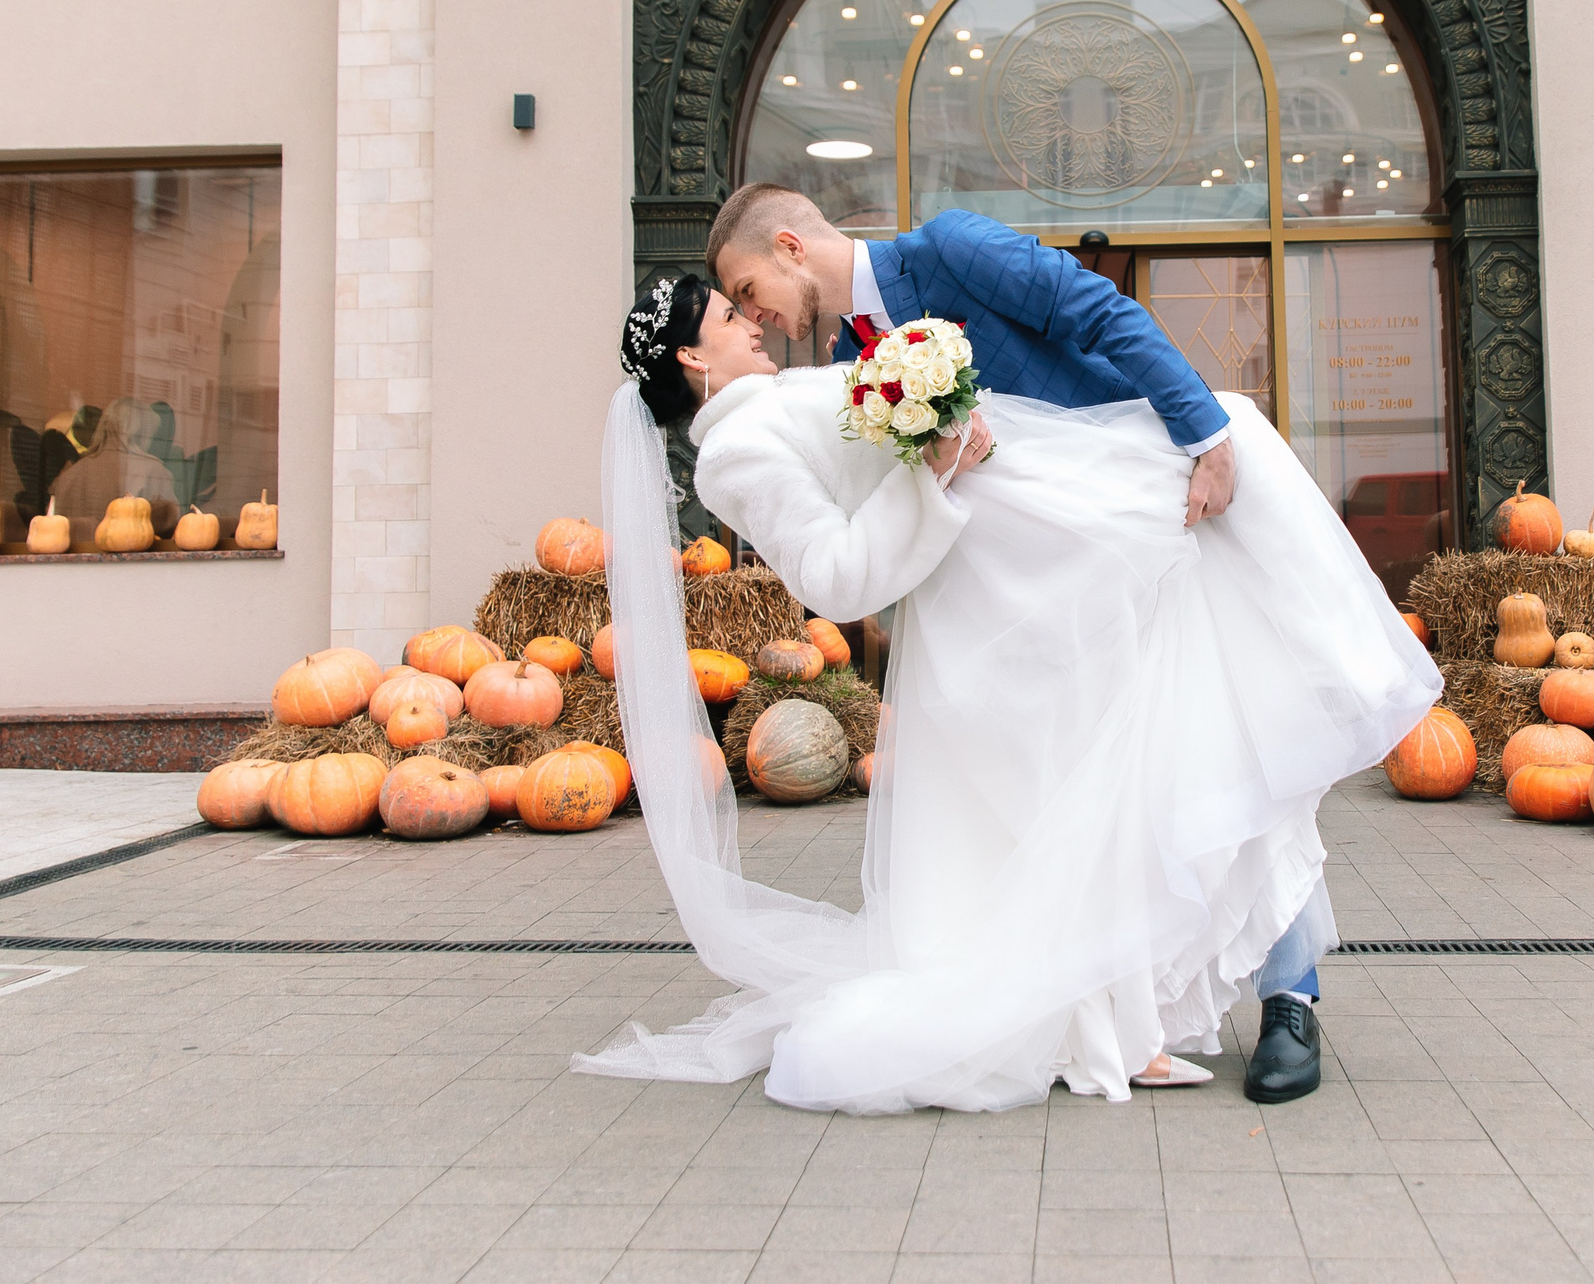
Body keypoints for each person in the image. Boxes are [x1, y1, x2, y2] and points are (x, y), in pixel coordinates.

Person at [575, 268, 1439, 1113]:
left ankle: (1191, 1003)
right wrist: (933, 466)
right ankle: (1122, 1015)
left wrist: (937, 420)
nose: (753, 320)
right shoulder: (735, 451)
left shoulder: (781, 392)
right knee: (1109, 767)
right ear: (693, 357)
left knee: (1158, 723)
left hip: (1029, 569)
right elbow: (837, 578)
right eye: (730, 314)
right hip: (992, 604)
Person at [703, 184, 1322, 1094]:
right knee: (1139, 779)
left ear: (791, 246)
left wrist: (1205, 433)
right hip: (1046, 601)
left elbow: (1096, 310)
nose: (753, 313)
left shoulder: (948, 250)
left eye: (749, 287)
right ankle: (1140, 997)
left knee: (1240, 737)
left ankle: (1291, 1000)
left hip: (1152, 512)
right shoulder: (848, 360)